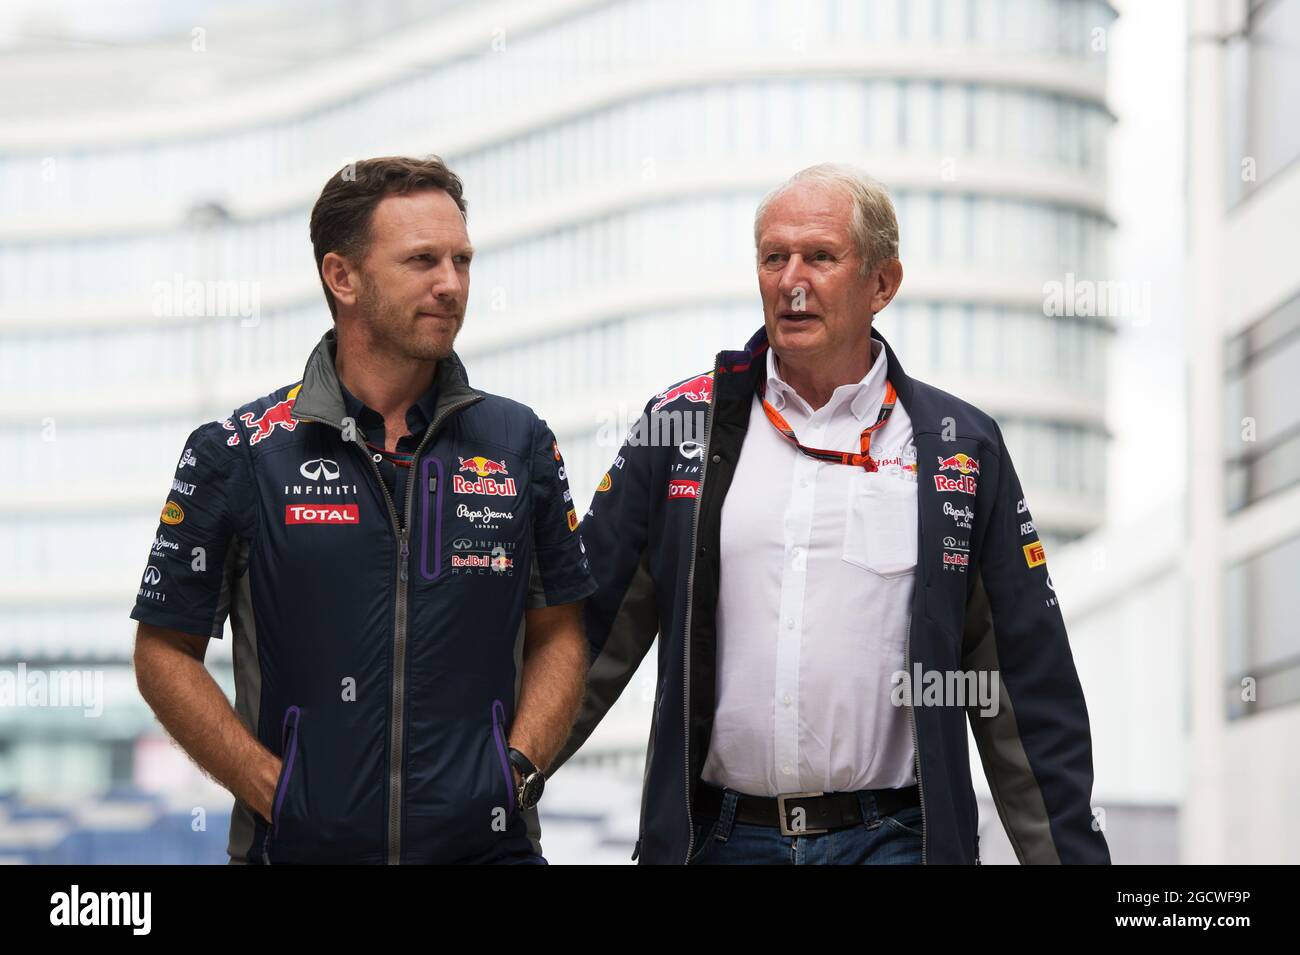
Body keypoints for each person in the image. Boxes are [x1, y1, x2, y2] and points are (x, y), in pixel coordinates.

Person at [555, 163, 1110, 865]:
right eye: (773, 257)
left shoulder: (957, 447)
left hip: (894, 842)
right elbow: (582, 633)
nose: (792, 279)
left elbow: (1025, 685)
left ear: (882, 283)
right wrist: (496, 781)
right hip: (719, 840)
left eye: (820, 257)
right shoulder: (682, 427)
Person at [131, 156, 595, 864]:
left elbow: (561, 631)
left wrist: (518, 770)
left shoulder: (518, 442)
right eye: (422, 261)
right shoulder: (240, 451)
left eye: (461, 260)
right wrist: (269, 787)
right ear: (341, 277)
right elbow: (165, 650)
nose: (451, 284)